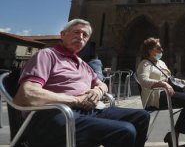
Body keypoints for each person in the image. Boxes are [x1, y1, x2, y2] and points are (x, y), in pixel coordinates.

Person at [14, 19, 150, 147]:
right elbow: (26, 94)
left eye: (85, 35)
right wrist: (76, 100)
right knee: (125, 130)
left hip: (86, 111)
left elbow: (102, 84)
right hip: (54, 115)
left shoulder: (82, 63)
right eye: (76, 32)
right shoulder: (47, 55)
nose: (81, 37)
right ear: (62, 34)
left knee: (142, 116)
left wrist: (97, 91)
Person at [136, 37, 185, 147]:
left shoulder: (161, 62)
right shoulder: (144, 64)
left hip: (168, 92)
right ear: (150, 50)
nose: (162, 50)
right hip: (156, 97)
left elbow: (170, 78)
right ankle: (177, 134)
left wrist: (180, 80)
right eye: (158, 47)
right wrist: (163, 83)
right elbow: (143, 80)